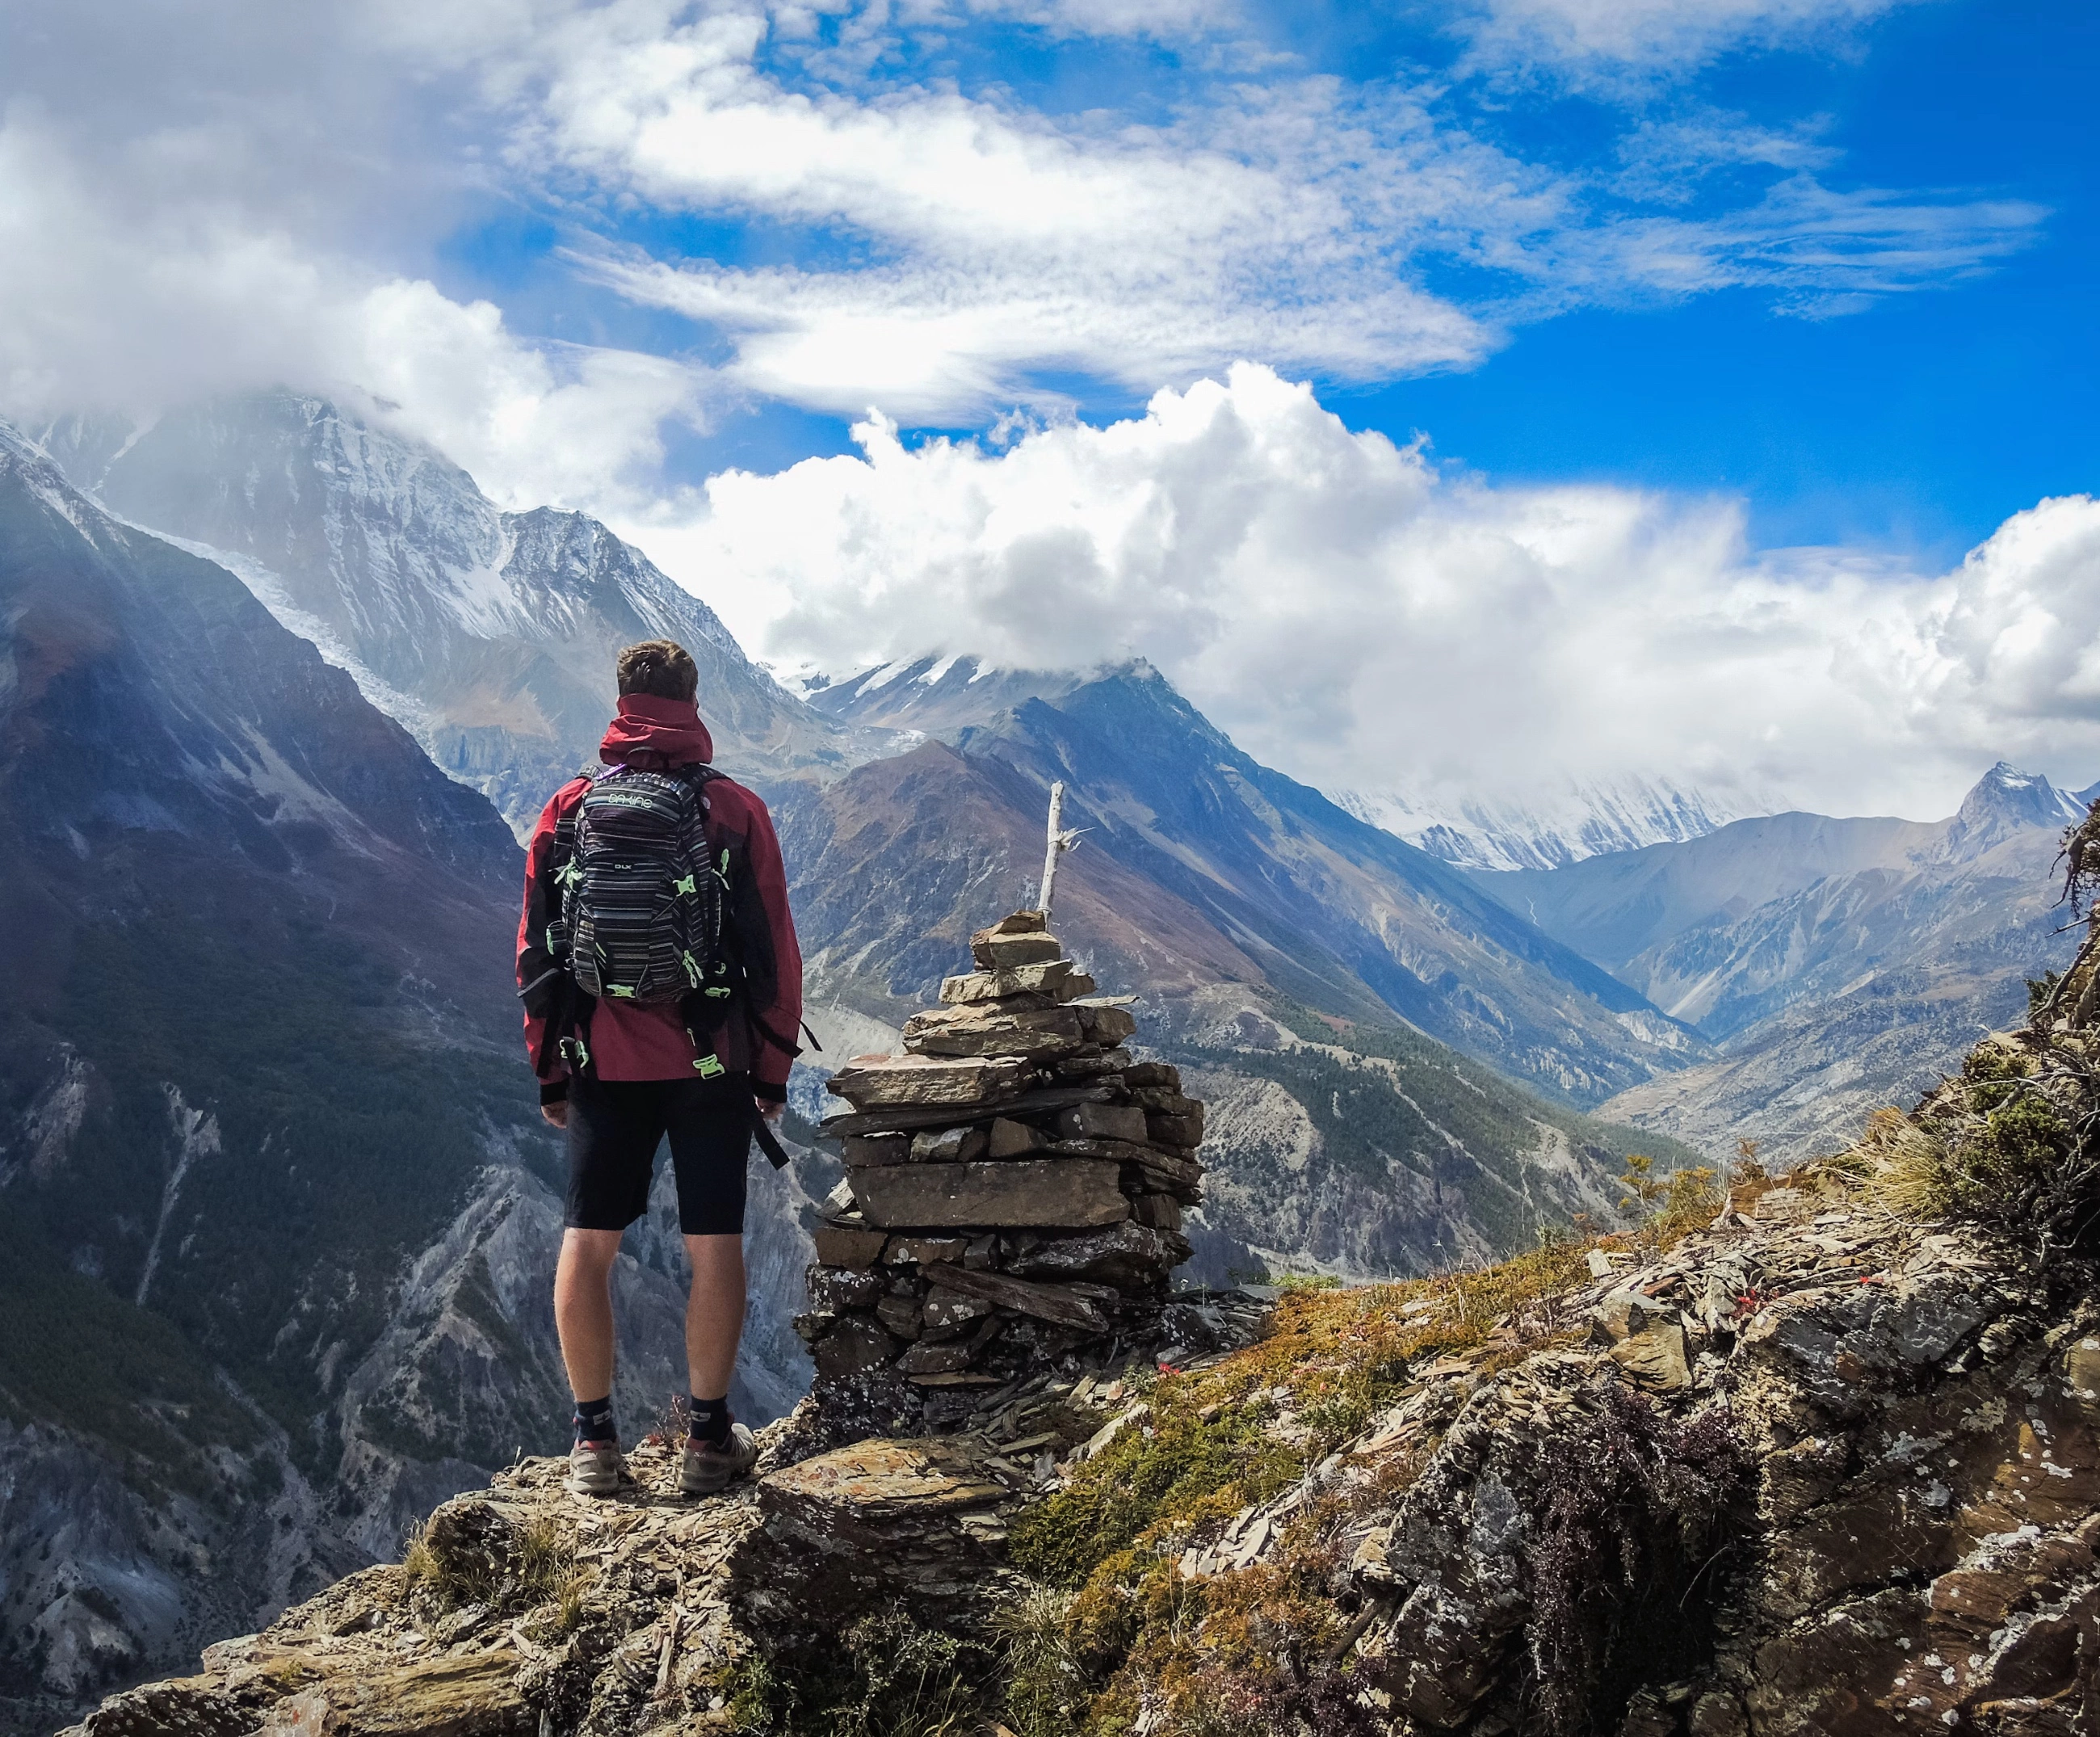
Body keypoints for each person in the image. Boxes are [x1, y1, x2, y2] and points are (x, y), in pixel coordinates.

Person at [516, 640, 803, 1498]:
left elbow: (535, 951)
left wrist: (549, 1070)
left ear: (619, 701)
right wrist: (771, 1070)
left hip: (601, 1056)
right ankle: (709, 1439)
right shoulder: (735, 809)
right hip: (711, 1059)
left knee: (589, 1241)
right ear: (693, 700)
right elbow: (775, 951)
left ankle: (593, 1443)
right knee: (714, 1243)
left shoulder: (568, 809)